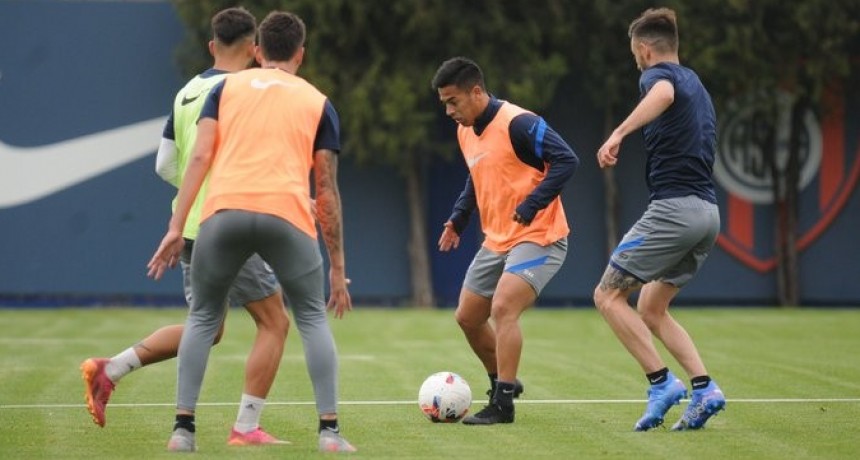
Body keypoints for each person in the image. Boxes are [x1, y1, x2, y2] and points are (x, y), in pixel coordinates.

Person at [81, 7, 293, 446]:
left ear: (212, 46)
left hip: (192, 225)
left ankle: (111, 370)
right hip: (232, 219)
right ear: (256, 49)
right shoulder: (245, 90)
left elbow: (165, 164)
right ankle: (247, 426)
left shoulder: (186, 92)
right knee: (275, 322)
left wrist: (194, 192)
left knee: (207, 326)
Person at [146, 10, 356, 453]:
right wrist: (337, 270)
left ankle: (182, 430)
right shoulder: (318, 101)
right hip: (287, 215)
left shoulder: (224, 89)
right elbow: (328, 191)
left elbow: (198, 159)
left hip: (223, 214)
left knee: (203, 318)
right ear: (301, 53)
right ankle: (330, 433)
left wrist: (175, 225)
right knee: (311, 317)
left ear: (258, 52)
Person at [593, 7, 726, 432]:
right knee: (651, 306)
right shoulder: (698, 84)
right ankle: (704, 389)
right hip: (707, 214)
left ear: (645, 50)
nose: (636, 60)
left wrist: (618, 133)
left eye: (636, 53)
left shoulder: (656, 77)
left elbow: (662, 96)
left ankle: (661, 383)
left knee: (607, 296)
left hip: (674, 210)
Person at [431, 57, 579, 425]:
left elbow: (567, 160)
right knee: (467, 317)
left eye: (454, 102)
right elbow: (477, 176)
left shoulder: (519, 122)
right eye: (445, 104)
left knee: (503, 309)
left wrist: (532, 204)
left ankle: (503, 404)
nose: (449, 111)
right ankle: (503, 380)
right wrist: (458, 219)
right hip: (496, 240)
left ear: (477, 91)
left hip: (539, 235)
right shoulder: (466, 131)